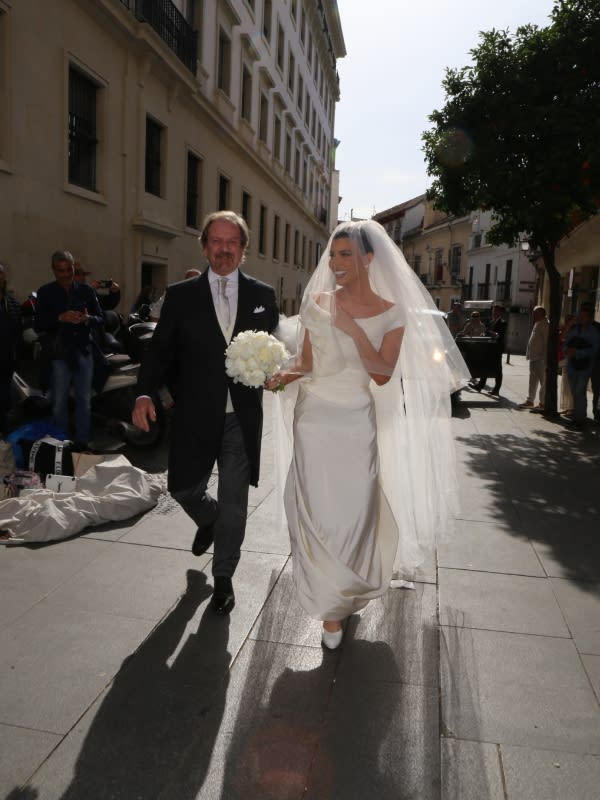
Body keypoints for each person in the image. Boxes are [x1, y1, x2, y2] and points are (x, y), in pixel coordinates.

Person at [266, 221, 469, 649]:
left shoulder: (393, 312)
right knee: (316, 510)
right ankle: (331, 610)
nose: (336, 264)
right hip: (314, 420)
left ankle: (347, 590)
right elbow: (305, 362)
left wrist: (352, 328)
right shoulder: (315, 302)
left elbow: (381, 375)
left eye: (345, 255)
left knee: (354, 513)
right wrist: (280, 376)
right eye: (333, 255)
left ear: (369, 259)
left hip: (356, 421)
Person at [132, 211, 279, 615]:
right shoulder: (180, 297)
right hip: (194, 415)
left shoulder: (262, 297)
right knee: (181, 488)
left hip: (240, 420)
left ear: (244, 249)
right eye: (217, 241)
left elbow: (274, 350)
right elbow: (159, 352)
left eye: (233, 242)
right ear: (204, 246)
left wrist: (274, 373)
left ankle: (224, 579)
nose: (224, 249)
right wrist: (144, 393)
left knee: (235, 502)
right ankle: (207, 518)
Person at [34, 251, 104, 449]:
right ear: (54, 270)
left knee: (84, 400)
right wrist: (60, 318)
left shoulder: (86, 291)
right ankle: (60, 444)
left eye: (69, 270)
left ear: (74, 268)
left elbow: (101, 319)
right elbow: (38, 324)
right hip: (59, 354)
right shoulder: (45, 292)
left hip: (83, 351)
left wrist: (88, 319)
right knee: (59, 402)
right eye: (61, 271)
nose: (65, 274)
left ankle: (82, 442)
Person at [564, 302, 600, 426]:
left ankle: (579, 419)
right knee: (575, 392)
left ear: (590, 318)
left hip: (585, 367)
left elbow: (594, 350)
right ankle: (578, 416)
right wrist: (567, 350)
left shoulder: (594, 331)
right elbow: (565, 341)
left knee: (580, 391)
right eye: (581, 315)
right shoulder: (575, 329)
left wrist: (577, 352)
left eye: (585, 316)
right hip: (572, 366)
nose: (582, 318)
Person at [0, 263, 22, 434]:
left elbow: (18, 333)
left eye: (0, 273)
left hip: (7, 361)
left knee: (5, 401)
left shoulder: (12, 303)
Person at [519, 306, 549, 409]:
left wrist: (545, 359)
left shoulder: (545, 325)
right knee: (532, 381)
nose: (533, 315)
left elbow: (547, 342)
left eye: (535, 313)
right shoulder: (537, 323)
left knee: (543, 382)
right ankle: (530, 400)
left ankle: (543, 403)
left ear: (542, 314)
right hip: (534, 358)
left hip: (541, 359)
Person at [474, 304, 507, 394]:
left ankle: (496, 389)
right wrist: (483, 334)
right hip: (488, 348)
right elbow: (486, 332)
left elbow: (499, 335)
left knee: (498, 369)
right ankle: (480, 385)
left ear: (500, 312)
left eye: (496, 311)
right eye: (493, 310)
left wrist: (488, 332)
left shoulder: (503, 322)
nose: (494, 312)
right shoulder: (490, 321)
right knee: (485, 366)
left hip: (496, 349)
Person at [558, 314, 576, 416]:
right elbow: (561, 338)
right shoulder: (566, 330)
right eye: (567, 320)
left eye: (570, 320)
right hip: (566, 360)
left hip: (573, 361)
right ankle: (566, 407)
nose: (568, 321)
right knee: (565, 385)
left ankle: (572, 408)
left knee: (570, 386)